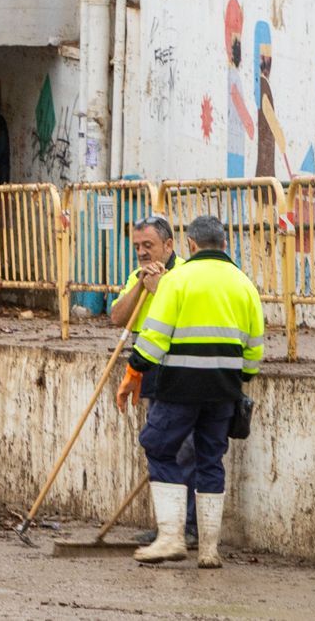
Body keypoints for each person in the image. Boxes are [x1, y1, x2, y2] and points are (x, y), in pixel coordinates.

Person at [120, 215, 263, 568]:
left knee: (158, 447)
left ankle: (171, 538)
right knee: (210, 460)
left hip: (179, 389)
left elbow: (154, 336)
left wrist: (133, 370)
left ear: (191, 246)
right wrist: (238, 379)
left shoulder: (177, 280)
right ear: (225, 245)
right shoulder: (245, 285)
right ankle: (210, 549)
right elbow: (254, 349)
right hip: (223, 392)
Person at [112, 214, 195, 545]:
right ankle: (168, 527)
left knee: (186, 450)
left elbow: (185, 318)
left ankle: (187, 528)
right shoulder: (137, 275)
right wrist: (140, 288)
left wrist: (160, 289)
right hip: (151, 371)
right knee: (161, 446)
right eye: (137, 247)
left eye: (148, 245)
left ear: (169, 245)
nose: (142, 252)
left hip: (184, 372)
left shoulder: (186, 275)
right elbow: (119, 317)